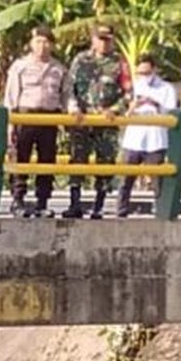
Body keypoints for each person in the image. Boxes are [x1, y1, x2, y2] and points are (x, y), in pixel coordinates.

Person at [3, 25, 69, 218]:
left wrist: (67, 115)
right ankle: (18, 200)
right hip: (25, 116)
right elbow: (11, 97)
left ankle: (43, 201)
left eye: (46, 42)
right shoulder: (20, 66)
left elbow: (65, 95)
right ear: (31, 44)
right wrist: (10, 124)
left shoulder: (59, 69)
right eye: (38, 41)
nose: (42, 46)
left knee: (46, 160)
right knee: (20, 158)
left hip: (49, 118)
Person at [65, 25, 130, 219]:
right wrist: (73, 108)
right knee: (77, 160)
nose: (104, 43)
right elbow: (69, 88)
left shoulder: (119, 63)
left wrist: (115, 109)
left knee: (105, 162)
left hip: (106, 122)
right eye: (100, 39)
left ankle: (98, 206)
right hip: (82, 121)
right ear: (93, 40)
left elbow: (128, 94)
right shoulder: (80, 60)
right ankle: (74, 204)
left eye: (107, 39)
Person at [117, 54, 177, 218]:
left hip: (156, 139)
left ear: (154, 70)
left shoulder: (166, 89)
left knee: (158, 179)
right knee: (126, 179)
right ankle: (121, 211)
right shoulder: (132, 87)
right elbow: (123, 114)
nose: (144, 77)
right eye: (140, 73)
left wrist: (156, 104)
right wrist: (133, 106)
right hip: (134, 139)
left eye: (147, 72)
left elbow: (172, 114)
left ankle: (161, 212)